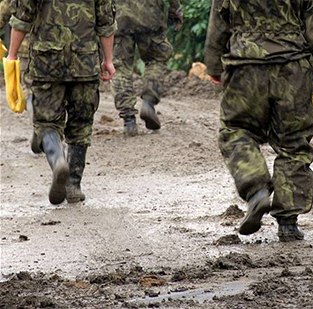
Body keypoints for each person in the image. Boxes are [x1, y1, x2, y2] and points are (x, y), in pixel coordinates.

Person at [204, 0, 313, 242]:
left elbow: (218, 22)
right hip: (293, 68)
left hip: (244, 66)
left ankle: (256, 188)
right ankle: (288, 223)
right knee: (293, 142)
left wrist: (214, 65)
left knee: (236, 130)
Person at [7, 0, 116, 204]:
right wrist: (108, 60)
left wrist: (12, 55)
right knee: (81, 125)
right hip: (85, 61)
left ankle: (58, 160)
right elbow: (106, 23)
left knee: (46, 122)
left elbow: (22, 17)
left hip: (46, 62)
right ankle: (73, 185)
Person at [111, 0, 183, 136]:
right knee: (156, 59)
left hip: (120, 17)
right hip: (150, 15)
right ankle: (148, 102)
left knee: (120, 67)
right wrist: (176, 9)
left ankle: (129, 120)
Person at [0, 0, 39, 153]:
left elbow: (6, 7)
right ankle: (47, 126)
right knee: (47, 87)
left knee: (28, 88)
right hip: (51, 46)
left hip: (24, 46)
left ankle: (37, 120)